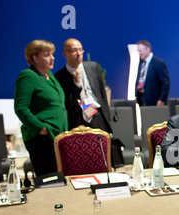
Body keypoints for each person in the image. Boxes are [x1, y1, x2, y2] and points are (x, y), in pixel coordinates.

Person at [14, 40, 68, 176]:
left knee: (59, 178)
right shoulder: (28, 76)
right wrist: (40, 128)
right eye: (47, 55)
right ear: (35, 58)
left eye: (52, 54)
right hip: (41, 138)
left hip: (57, 135)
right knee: (48, 180)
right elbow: (21, 108)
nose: (53, 58)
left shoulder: (49, 76)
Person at [55, 38, 112, 133]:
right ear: (65, 54)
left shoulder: (93, 67)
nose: (79, 53)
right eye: (74, 50)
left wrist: (107, 119)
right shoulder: (59, 77)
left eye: (80, 50)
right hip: (77, 119)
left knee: (102, 145)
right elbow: (66, 104)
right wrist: (77, 84)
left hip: (97, 115)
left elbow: (102, 96)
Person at [135, 40, 170, 106]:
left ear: (148, 49)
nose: (139, 53)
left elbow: (165, 83)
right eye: (138, 51)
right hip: (141, 99)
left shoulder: (158, 63)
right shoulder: (140, 63)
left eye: (140, 50)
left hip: (154, 101)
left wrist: (162, 99)